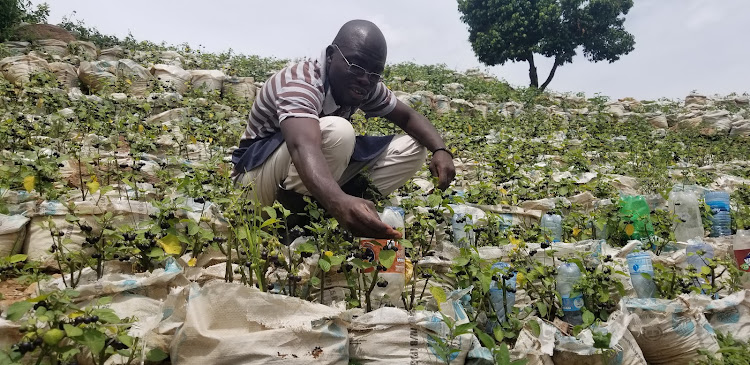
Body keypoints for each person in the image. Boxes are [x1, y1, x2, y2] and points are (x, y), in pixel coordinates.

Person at [232, 19, 455, 239]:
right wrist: (337, 201)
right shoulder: (302, 81)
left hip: (306, 174)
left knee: (414, 147)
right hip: (254, 182)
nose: (365, 79)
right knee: (339, 132)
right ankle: (291, 225)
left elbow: (408, 117)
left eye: (374, 73)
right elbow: (302, 146)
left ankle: (345, 214)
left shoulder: (365, 85)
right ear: (331, 55)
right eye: (356, 66)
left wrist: (441, 150)